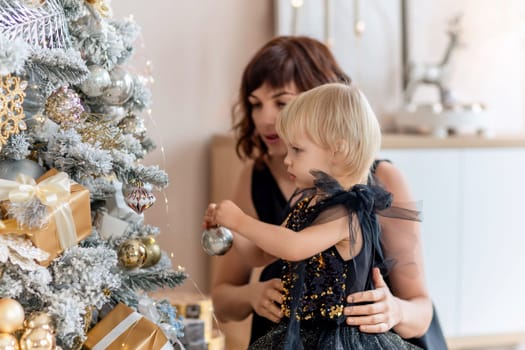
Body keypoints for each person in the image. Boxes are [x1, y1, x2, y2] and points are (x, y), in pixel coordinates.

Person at [211, 36, 446, 349]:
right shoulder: (286, 190)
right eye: (256, 104)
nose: (266, 118)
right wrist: (229, 236)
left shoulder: (365, 193)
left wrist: (395, 310)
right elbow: (247, 270)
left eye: (282, 103)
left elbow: (421, 309)